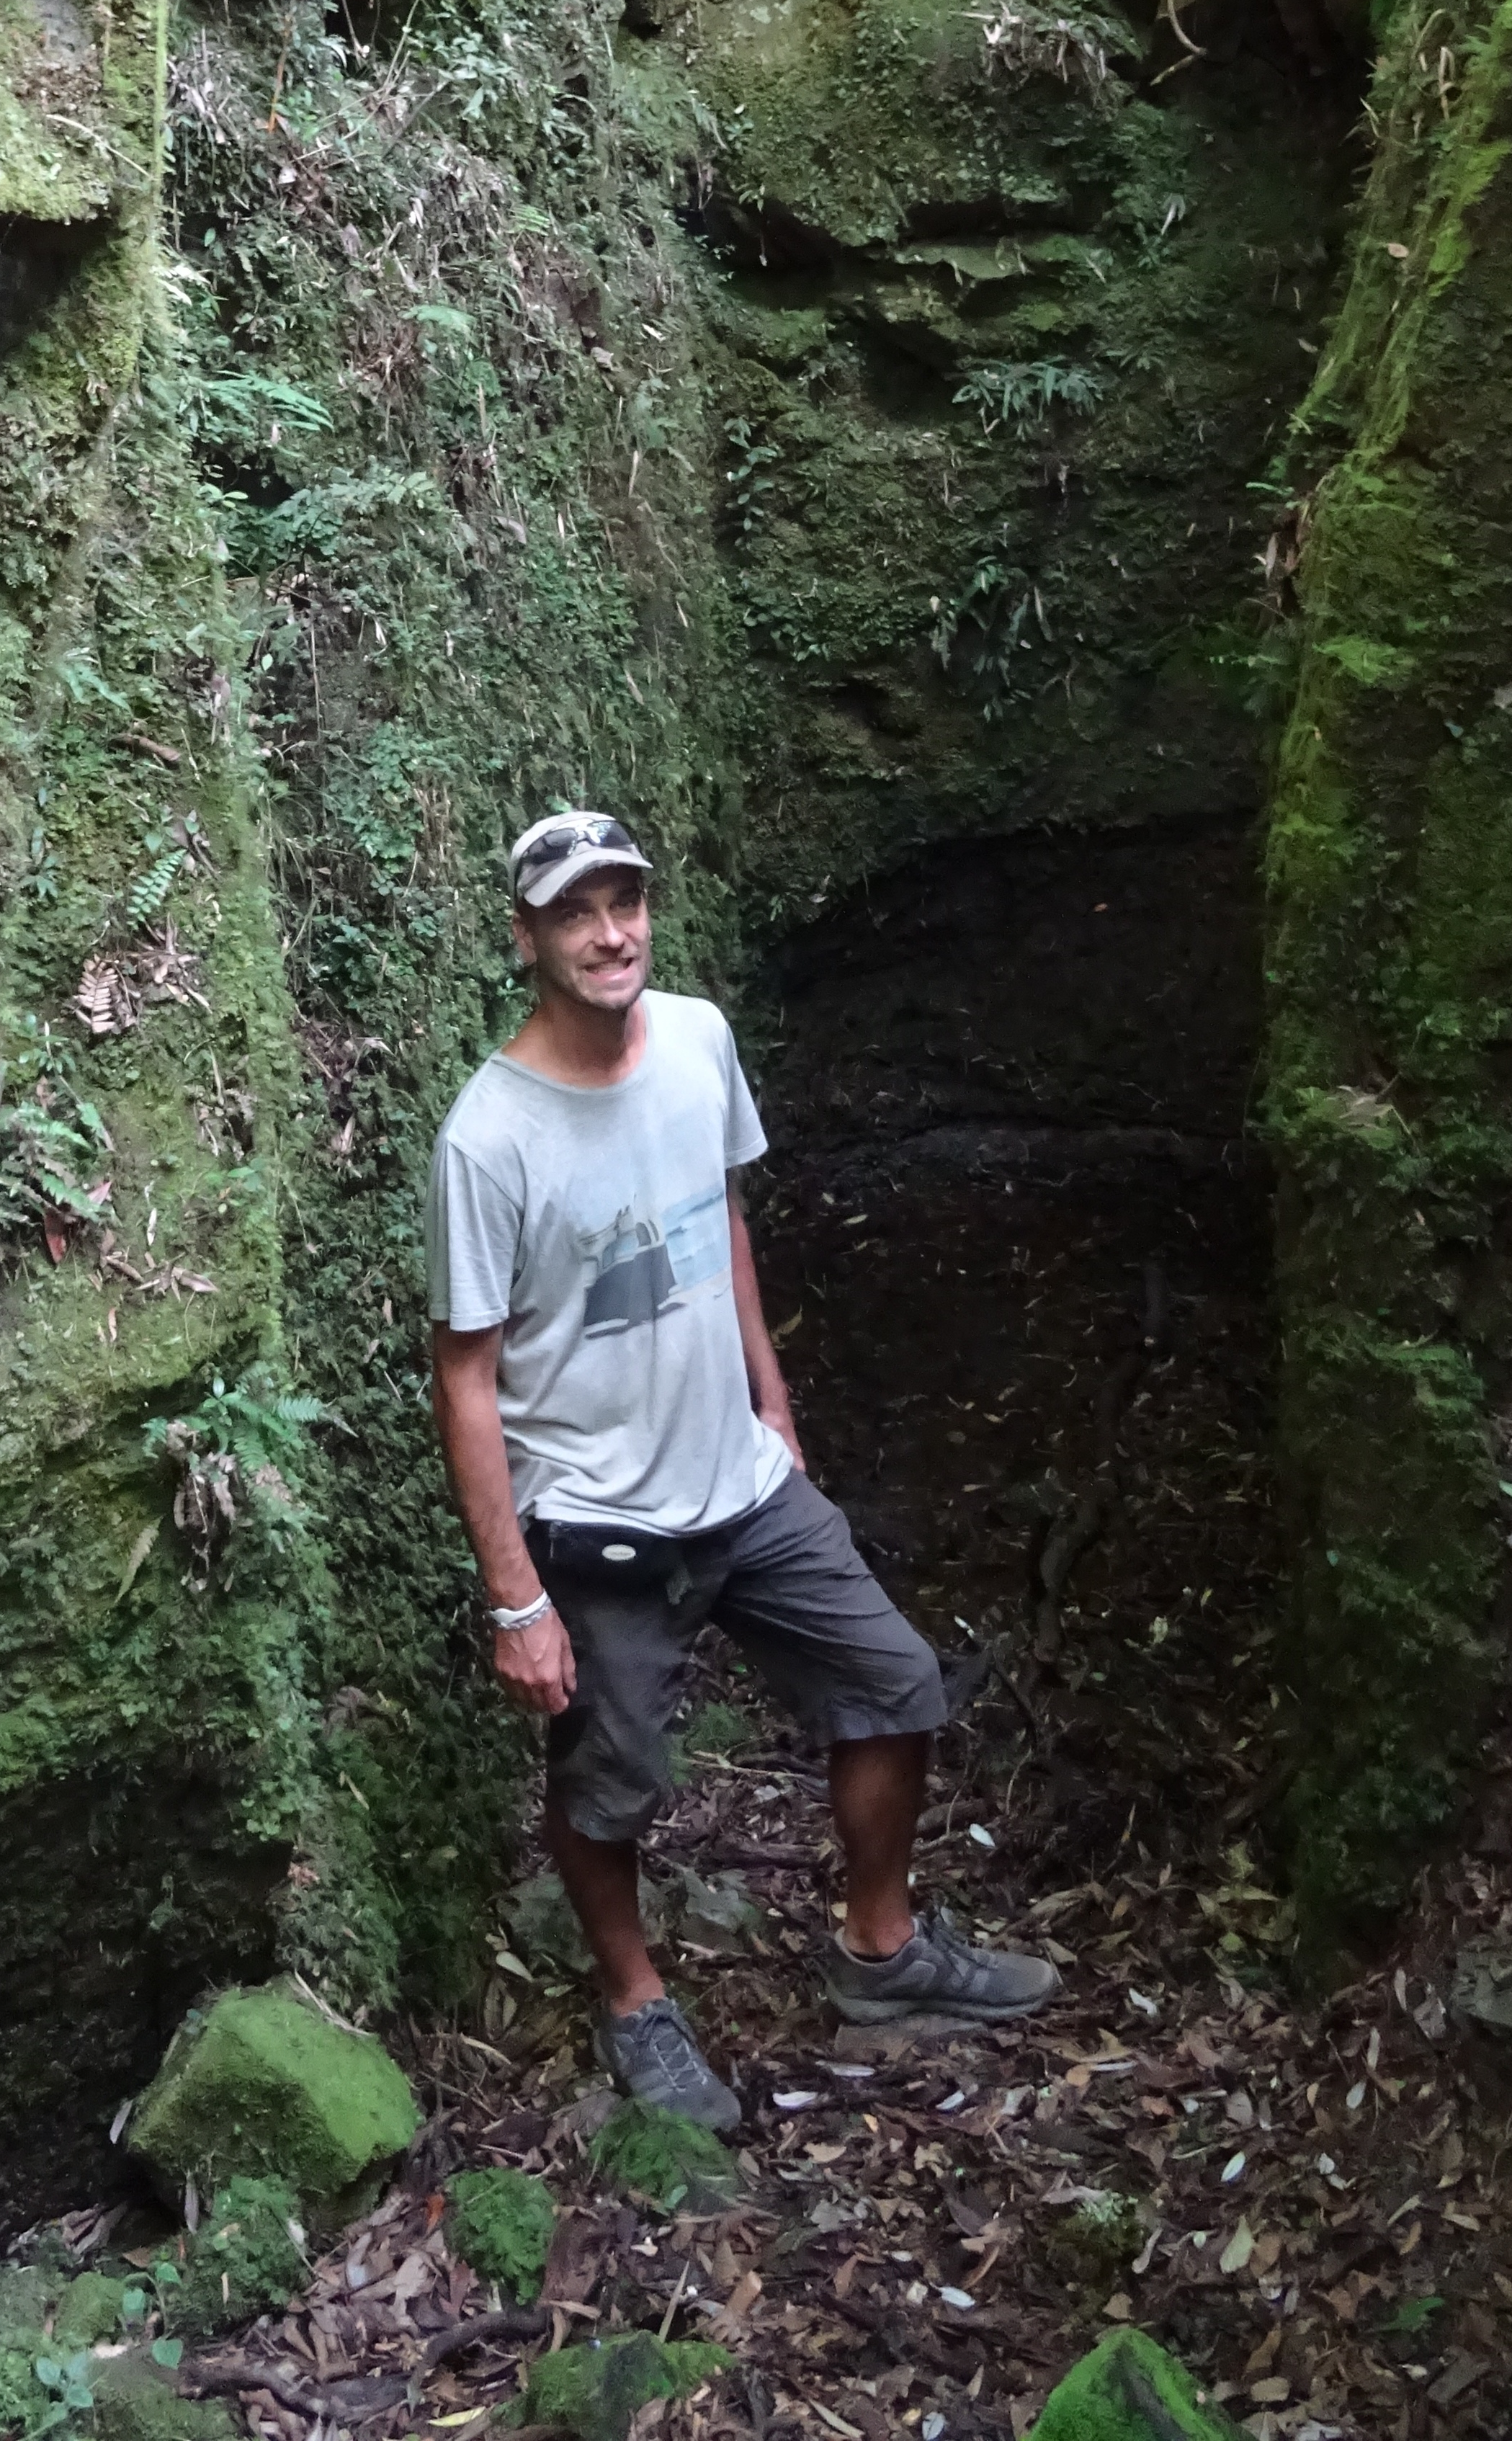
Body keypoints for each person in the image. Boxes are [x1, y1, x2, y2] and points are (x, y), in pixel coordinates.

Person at [426, 806, 1060, 2132]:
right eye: (577, 911)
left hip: (742, 1479)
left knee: (893, 1684)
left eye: (626, 902)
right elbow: (467, 1376)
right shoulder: (488, 1138)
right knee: (613, 1787)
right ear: (528, 937)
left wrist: (774, 1402)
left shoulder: (700, 1041)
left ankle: (880, 1952)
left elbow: (718, 1220)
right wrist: (514, 1599)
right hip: (599, 1522)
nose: (611, 933)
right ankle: (638, 2002)